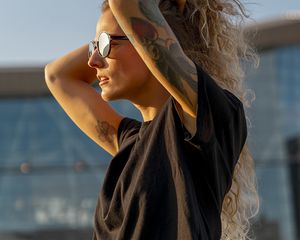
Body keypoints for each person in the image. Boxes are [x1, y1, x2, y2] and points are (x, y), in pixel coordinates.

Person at [45, 0, 260, 239]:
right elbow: (57, 76)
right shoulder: (128, 142)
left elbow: (126, 5)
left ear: (146, 41)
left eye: (106, 45)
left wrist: (136, 24)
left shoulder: (207, 118)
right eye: (94, 46)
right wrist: (108, 36)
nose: (93, 61)